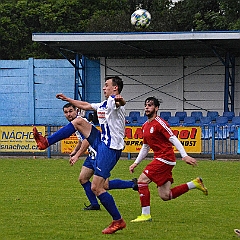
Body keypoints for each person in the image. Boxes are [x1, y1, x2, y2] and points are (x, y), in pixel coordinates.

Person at [33, 76, 127, 234]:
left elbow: (120, 103)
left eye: (107, 85)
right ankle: (45, 142)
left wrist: (119, 100)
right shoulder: (103, 104)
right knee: (78, 121)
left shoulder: (114, 102)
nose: (104, 88)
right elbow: (85, 105)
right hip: (101, 142)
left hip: (110, 149)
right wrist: (67, 98)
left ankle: (118, 221)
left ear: (115, 88)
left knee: (97, 187)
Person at [129, 96, 208, 222]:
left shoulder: (161, 123)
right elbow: (145, 147)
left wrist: (184, 155)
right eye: (146, 105)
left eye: (150, 105)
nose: (147, 108)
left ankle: (145, 215)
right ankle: (194, 184)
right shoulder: (144, 126)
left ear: (156, 108)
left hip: (164, 158)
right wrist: (135, 163)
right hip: (162, 159)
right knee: (165, 195)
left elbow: (173, 139)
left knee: (142, 181)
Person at [62, 103, 138, 211]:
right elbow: (81, 139)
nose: (69, 114)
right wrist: (75, 151)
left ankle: (132, 184)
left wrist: (77, 156)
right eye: (66, 112)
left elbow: (86, 140)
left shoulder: (81, 122)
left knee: (104, 185)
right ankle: (94, 204)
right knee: (83, 179)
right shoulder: (76, 124)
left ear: (76, 111)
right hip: (92, 155)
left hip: (99, 154)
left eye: (70, 111)